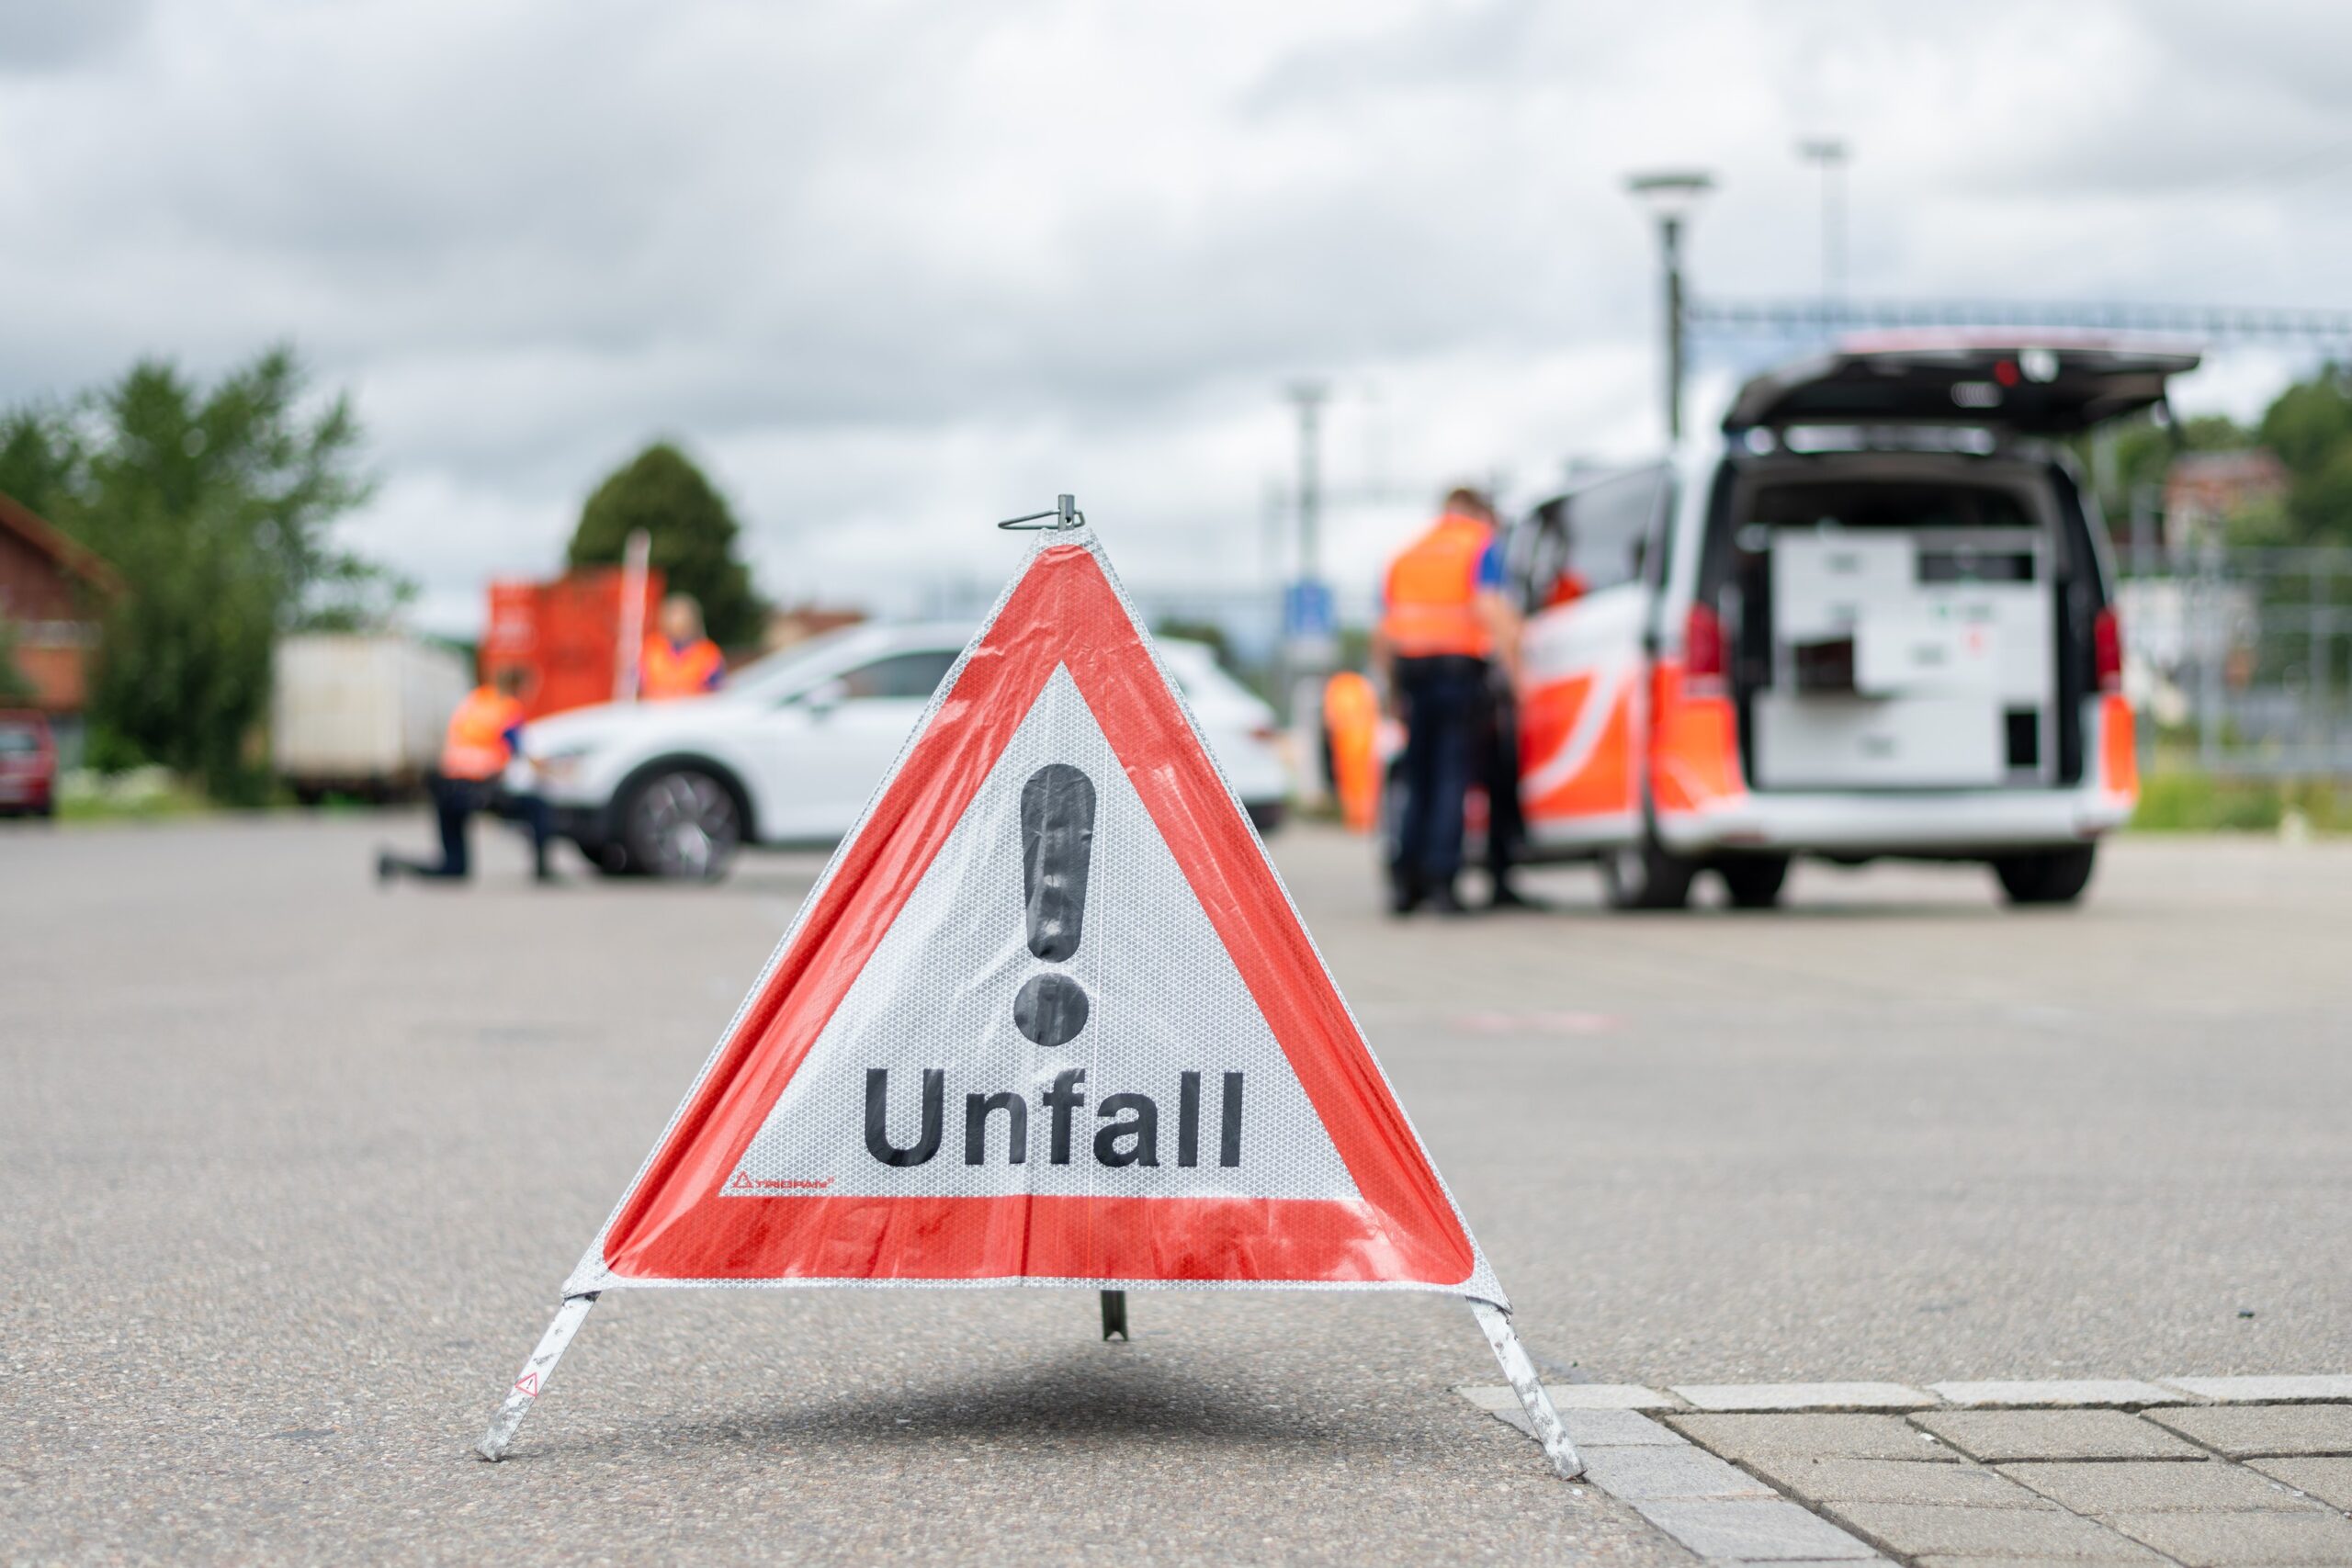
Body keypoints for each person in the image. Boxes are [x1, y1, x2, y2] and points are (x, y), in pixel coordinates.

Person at [1371, 488, 1522, 915]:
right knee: (1452, 778)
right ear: (1476, 512)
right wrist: (1515, 672)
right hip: (1458, 675)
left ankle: (1406, 884)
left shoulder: (1407, 553)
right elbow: (1489, 607)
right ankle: (1442, 882)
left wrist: (1393, 690)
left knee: (1418, 778)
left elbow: (1382, 634)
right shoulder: (1478, 544)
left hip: (1413, 676)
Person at [378, 666, 556, 885]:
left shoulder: (476, 700)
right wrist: (551, 769)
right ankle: (543, 871)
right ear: (518, 687)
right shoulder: (508, 708)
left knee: (453, 867)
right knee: (538, 807)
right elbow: (520, 750)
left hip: (445, 786)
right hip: (476, 789)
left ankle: (394, 862)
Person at [640, 593, 725, 700]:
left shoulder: (708, 653)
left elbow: (716, 688)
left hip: (694, 711)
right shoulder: (651, 649)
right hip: (656, 713)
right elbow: (638, 682)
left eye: (682, 615)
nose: (677, 621)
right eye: (672, 615)